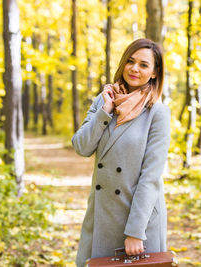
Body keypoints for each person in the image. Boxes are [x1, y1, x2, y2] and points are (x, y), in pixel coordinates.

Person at [72, 38, 171, 266]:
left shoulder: (157, 113)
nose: (134, 68)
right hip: (101, 213)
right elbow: (82, 147)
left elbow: (151, 177)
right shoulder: (104, 100)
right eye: (130, 61)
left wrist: (136, 230)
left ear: (155, 72)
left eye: (144, 65)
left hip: (138, 217)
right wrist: (105, 111)